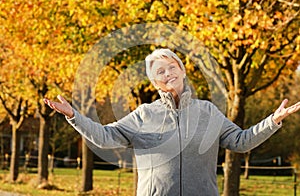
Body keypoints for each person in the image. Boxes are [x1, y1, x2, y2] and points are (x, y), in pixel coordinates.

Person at [44, 48, 300, 196]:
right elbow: (104, 136)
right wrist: (73, 116)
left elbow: (241, 141)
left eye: (171, 66)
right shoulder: (144, 114)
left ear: (182, 70)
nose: (168, 74)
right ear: (154, 82)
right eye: (160, 72)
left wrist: (273, 121)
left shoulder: (208, 112)